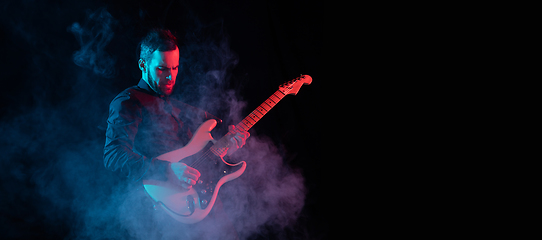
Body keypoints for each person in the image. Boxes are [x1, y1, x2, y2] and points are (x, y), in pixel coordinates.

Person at [103, 29, 249, 240]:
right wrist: (166, 170)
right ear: (143, 65)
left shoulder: (180, 106)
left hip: (205, 204)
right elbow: (113, 155)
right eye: (162, 69)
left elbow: (202, 153)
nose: (171, 76)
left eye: (175, 67)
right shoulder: (128, 102)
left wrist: (228, 145)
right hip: (166, 214)